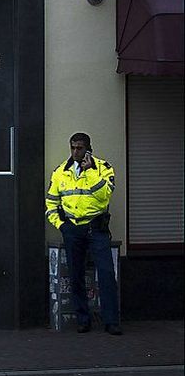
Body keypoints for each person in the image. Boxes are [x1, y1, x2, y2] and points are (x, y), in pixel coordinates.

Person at [46, 132, 121, 335]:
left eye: (79, 148)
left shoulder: (103, 168)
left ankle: (111, 321)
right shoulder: (61, 171)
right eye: (73, 147)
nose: (75, 151)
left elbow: (105, 196)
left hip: (97, 228)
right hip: (72, 229)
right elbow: (51, 203)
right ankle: (82, 319)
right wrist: (61, 225)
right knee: (75, 275)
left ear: (88, 149)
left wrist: (90, 172)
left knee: (106, 274)